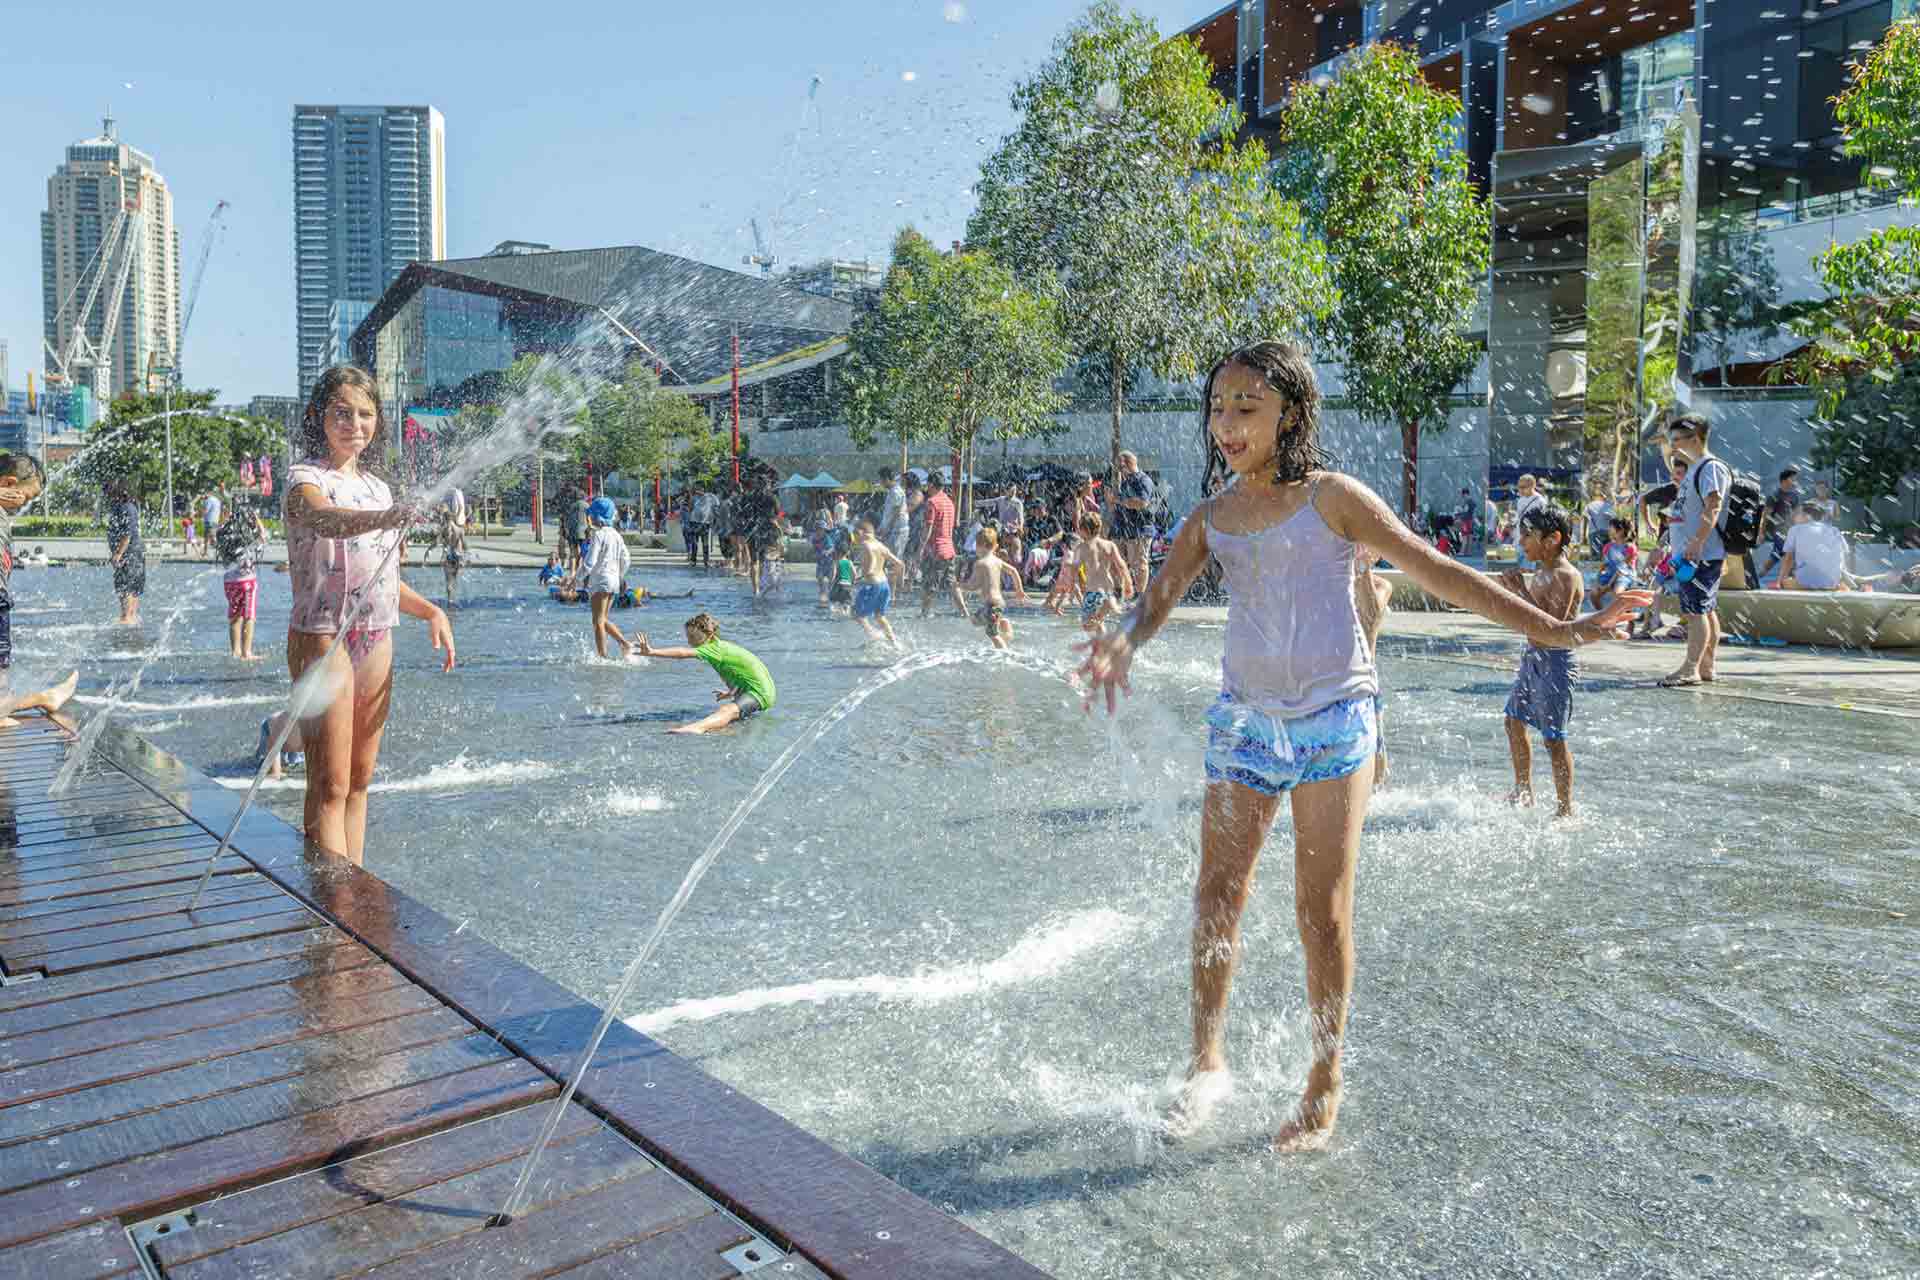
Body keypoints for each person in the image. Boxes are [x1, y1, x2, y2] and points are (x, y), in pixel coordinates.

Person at [1076, 341, 1647, 1152]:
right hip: (1245, 725)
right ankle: (1205, 1061)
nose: (1227, 425)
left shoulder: (1334, 499)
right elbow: (1155, 602)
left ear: (1291, 416)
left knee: (1322, 913)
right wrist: (1123, 640)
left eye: (1248, 408)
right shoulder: (1210, 519)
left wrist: (1554, 629)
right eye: (1218, 408)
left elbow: (1438, 569)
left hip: (1335, 722)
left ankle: (1324, 1075)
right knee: (1216, 897)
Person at [284, 364, 456, 864]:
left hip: (375, 636)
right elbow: (322, 519)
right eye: (342, 413)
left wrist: (429, 610)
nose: (354, 424)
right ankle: (330, 905)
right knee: (330, 782)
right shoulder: (305, 478)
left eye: (365, 414)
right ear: (319, 416)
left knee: (360, 781)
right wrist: (389, 517)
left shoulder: (379, 488)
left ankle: (353, 888)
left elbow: (382, 576)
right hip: (323, 637)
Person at [1496, 505, 1584, 817]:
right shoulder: (1542, 572)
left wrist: (1518, 590)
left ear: (1553, 539)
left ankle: (1565, 808)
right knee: (1513, 721)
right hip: (1533, 658)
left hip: (1556, 663)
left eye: (1528, 535)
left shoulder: (1565, 576)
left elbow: (1551, 628)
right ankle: (1523, 789)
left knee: (1553, 738)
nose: (1521, 542)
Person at [1660, 412, 1730, 688]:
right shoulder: (1694, 467)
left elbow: (1714, 505)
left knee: (1696, 611)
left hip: (1699, 554)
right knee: (1705, 609)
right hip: (1692, 552)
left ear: (1696, 438)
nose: (1673, 444)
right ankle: (1706, 666)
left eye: (1678, 439)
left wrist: (1697, 541)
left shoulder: (1710, 467)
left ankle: (1691, 668)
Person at [632, 612, 776, 734]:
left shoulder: (713, 648)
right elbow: (740, 671)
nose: (689, 641)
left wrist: (652, 652)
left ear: (709, 635)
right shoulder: (718, 649)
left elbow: (682, 653)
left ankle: (697, 728)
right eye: (688, 637)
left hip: (760, 692)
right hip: (757, 689)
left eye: (693, 637)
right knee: (731, 717)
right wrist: (732, 692)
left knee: (727, 710)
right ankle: (725, 730)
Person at [1052, 511, 1132, 632]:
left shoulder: (1081, 547)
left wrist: (1070, 585)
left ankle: (1107, 609)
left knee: (1087, 625)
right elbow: (1121, 565)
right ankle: (1104, 644)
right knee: (1097, 622)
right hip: (1108, 589)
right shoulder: (1109, 545)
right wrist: (1128, 582)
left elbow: (1074, 569)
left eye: (1080, 529)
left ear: (1085, 530)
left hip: (1093, 592)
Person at [214, 502, 271, 660]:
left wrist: (224, 518)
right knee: (249, 616)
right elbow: (264, 534)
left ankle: (235, 651)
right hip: (247, 582)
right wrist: (256, 517)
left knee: (234, 616)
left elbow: (217, 531)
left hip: (229, 583)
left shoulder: (225, 538)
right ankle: (247, 652)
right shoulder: (251, 539)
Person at [581, 495, 634, 658]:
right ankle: (625, 644)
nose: (589, 519)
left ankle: (603, 657)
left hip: (601, 581)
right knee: (602, 618)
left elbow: (590, 562)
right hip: (613, 582)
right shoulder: (616, 535)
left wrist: (575, 579)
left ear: (597, 516)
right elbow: (626, 558)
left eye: (591, 515)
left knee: (597, 622)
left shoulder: (599, 535)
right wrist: (619, 575)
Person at [958, 526, 1027, 649]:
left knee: (992, 634)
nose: (975, 550)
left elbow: (974, 586)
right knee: (975, 620)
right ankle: (1003, 624)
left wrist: (960, 585)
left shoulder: (980, 564)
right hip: (997, 604)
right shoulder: (997, 561)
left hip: (991, 605)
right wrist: (1019, 590)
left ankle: (1005, 654)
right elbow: (1013, 571)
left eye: (976, 546)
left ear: (982, 545)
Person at [850, 518, 905, 647]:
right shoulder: (880, 545)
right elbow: (900, 564)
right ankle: (894, 643)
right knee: (880, 616)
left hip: (872, 585)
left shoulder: (866, 544)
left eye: (854, 534)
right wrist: (897, 581)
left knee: (855, 614)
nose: (854, 538)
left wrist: (868, 571)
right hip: (884, 585)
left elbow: (871, 557)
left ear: (861, 532)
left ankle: (875, 635)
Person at [1774, 501, 1850, 591]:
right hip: (1831, 583)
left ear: (1807, 516)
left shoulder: (1795, 529)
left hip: (1805, 583)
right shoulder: (1834, 530)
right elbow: (1844, 555)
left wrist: (1779, 582)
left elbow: (1788, 559)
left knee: (1785, 582)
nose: (1793, 516)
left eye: (1797, 513)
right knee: (1843, 586)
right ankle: (1837, 585)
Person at [919, 474, 965, 618]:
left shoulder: (931, 502)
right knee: (951, 582)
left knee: (929, 583)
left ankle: (925, 613)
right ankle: (964, 611)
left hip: (935, 550)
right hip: (949, 549)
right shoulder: (949, 502)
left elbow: (928, 528)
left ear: (931, 484)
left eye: (927, 484)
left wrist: (920, 549)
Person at [1113, 451, 1155, 599]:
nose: (1118, 468)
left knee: (1138, 563)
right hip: (1123, 529)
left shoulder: (1143, 480)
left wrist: (1119, 501)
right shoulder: (1125, 481)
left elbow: (1142, 503)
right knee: (1120, 562)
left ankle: (1140, 595)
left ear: (1128, 463)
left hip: (1139, 529)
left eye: (1120, 465)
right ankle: (1121, 592)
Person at [106, 484, 145, 625]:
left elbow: (126, 534)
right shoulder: (128, 506)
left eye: (108, 492)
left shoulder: (124, 508)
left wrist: (118, 554)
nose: (107, 496)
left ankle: (126, 617)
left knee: (125, 585)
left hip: (129, 553)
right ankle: (131, 616)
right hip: (135, 552)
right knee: (134, 585)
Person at [1588, 516, 1639, 616]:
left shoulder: (1630, 548)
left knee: (1618, 593)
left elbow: (1622, 569)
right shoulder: (1608, 546)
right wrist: (1598, 581)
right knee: (1593, 594)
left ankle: (1629, 617)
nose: (1609, 529)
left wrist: (1608, 585)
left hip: (1625, 576)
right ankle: (1603, 616)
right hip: (1610, 574)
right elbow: (1603, 566)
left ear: (1620, 530)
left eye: (1611, 527)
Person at [1757, 467, 1801, 580]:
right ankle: (1783, 579)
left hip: (1790, 532)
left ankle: (1760, 577)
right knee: (1784, 555)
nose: (1795, 482)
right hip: (1777, 532)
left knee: (1778, 556)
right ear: (1784, 480)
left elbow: (1796, 515)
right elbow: (1765, 515)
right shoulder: (1774, 496)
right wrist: (1761, 532)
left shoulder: (1794, 496)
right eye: (1793, 479)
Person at [440, 504, 469, 607]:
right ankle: (454, 599)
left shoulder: (444, 529)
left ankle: (449, 600)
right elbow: (465, 546)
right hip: (457, 556)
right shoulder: (459, 530)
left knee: (448, 580)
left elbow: (443, 545)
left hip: (448, 556)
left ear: (444, 518)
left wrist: (442, 556)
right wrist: (466, 557)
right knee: (455, 579)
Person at [685, 485, 714, 568]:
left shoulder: (708, 498)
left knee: (705, 543)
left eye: (700, 490)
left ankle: (706, 561)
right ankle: (693, 560)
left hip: (705, 523)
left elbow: (712, 508)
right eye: (697, 490)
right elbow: (690, 508)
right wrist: (691, 497)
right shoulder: (694, 498)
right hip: (694, 522)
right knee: (695, 542)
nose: (699, 492)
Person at [1583, 486, 1612, 560]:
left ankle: (1596, 569)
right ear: (1603, 496)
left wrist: (1584, 535)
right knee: (1606, 556)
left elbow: (1586, 519)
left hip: (1594, 533)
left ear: (1593, 496)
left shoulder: (1589, 506)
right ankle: (1605, 570)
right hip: (1606, 533)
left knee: (1595, 557)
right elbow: (1612, 519)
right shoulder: (1607, 505)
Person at [204, 489, 224, 559]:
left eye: (204, 494)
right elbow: (221, 511)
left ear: (207, 493)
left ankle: (221, 552)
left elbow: (206, 511)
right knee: (211, 537)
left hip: (209, 521)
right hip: (215, 521)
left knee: (210, 537)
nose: (203, 496)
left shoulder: (209, 500)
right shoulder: (217, 500)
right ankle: (205, 552)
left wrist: (197, 513)